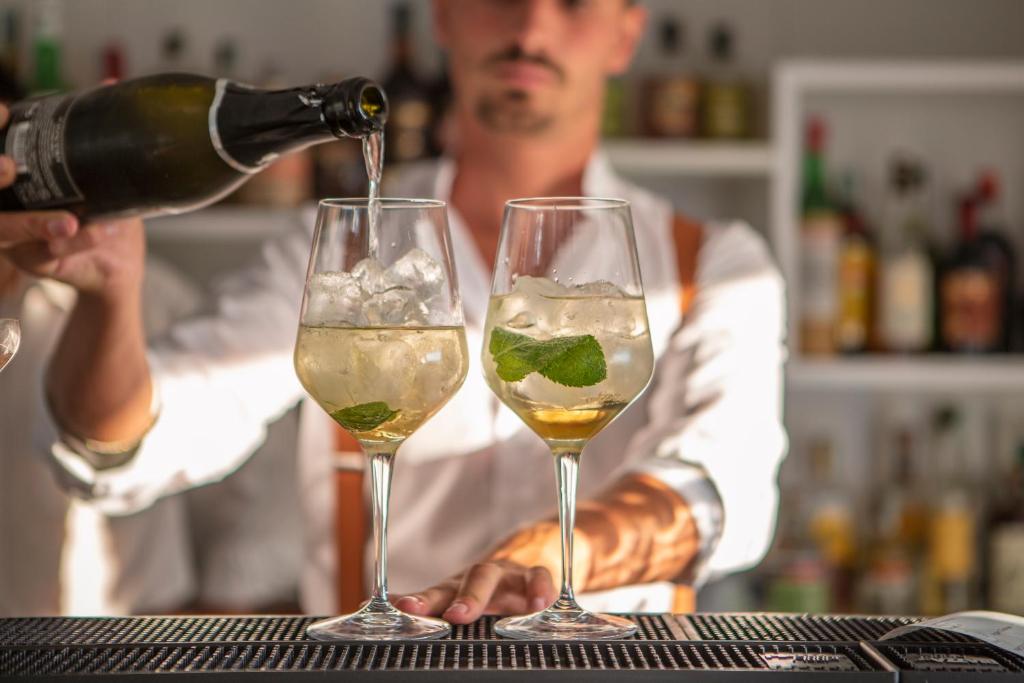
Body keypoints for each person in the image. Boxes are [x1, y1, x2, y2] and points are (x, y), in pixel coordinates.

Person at [0, 0, 787, 621]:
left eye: (575, 0)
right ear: (443, 15)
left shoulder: (713, 267)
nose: (533, 23)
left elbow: (723, 491)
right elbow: (147, 432)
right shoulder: (337, 247)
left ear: (625, 35)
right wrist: (110, 298)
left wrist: (559, 549)